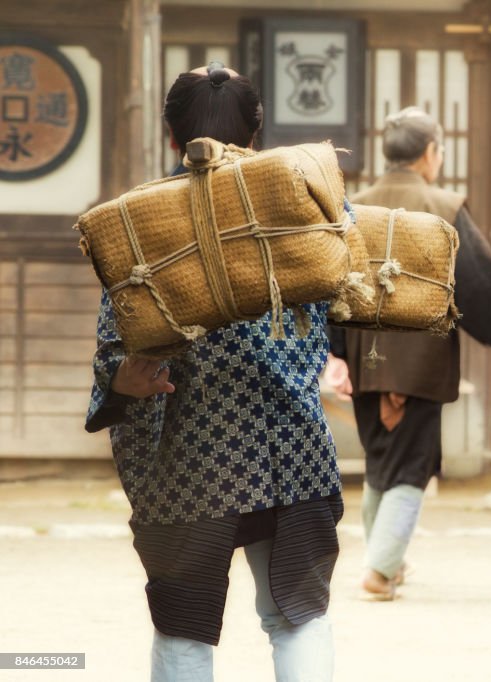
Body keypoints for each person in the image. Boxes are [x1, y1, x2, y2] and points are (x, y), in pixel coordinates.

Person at [86, 63, 344, 682]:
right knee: (297, 618)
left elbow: (114, 355)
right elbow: (351, 289)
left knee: (184, 627)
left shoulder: (137, 223)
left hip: (187, 457)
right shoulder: (301, 202)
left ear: (172, 136)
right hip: (292, 448)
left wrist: (122, 380)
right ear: (256, 130)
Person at [325, 106, 491, 600]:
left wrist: (336, 354)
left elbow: (331, 281)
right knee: (409, 466)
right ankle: (380, 570)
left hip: (364, 353)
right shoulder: (445, 205)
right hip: (422, 356)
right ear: (430, 154)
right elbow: (480, 283)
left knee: (382, 460)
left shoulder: (353, 205)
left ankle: (388, 562)